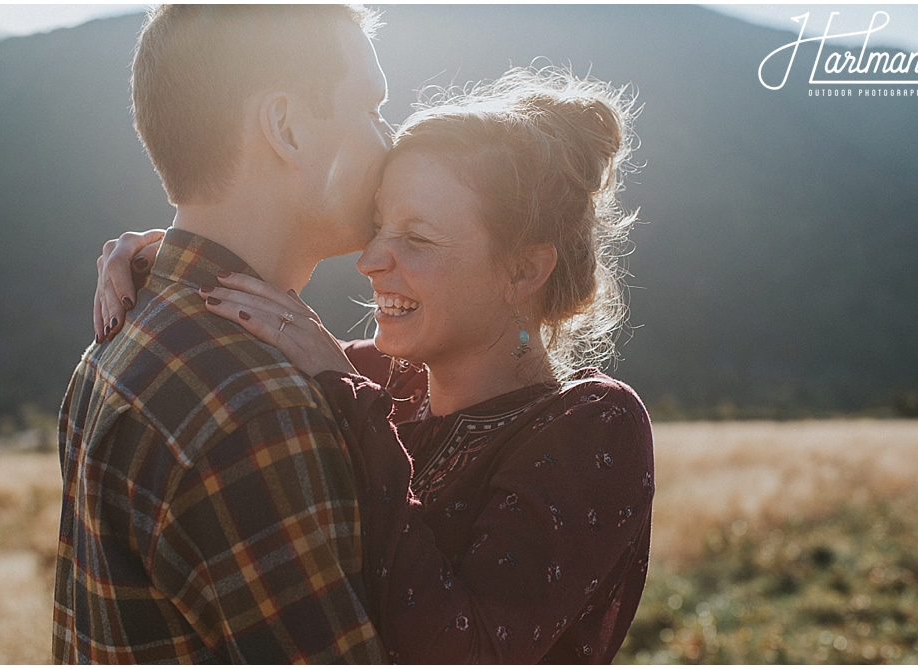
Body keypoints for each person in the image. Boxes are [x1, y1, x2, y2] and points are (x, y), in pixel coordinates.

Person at [97, 67, 655, 663]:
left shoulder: (595, 424)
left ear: (524, 270)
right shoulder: (388, 379)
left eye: (416, 237)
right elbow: (278, 338)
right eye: (379, 224)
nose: (369, 259)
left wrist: (347, 395)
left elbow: (465, 652)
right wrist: (174, 262)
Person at [55, 5, 394, 663]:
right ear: (286, 128)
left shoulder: (116, 340)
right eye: (374, 110)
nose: (390, 138)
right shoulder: (254, 406)